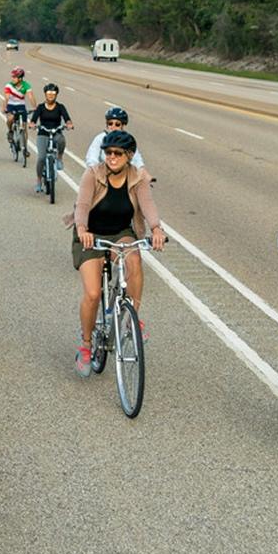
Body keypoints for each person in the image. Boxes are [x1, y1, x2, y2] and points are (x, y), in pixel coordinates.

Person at [69, 129, 165, 376]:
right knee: (92, 293)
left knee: (134, 260)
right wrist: (82, 229)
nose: (111, 157)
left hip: (120, 232)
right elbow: (81, 205)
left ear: (129, 156)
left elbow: (148, 205)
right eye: (108, 152)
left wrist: (156, 229)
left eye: (117, 153)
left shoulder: (137, 178)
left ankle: (132, 320)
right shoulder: (93, 175)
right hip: (90, 234)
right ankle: (87, 345)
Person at [29, 83, 75, 192]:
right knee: (41, 158)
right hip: (43, 133)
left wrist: (69, 124)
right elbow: (33, 119)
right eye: (48, 93)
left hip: (56, 132)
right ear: (45, 94)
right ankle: (39, 181)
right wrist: (32, 124)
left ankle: (59, 158)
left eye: (53, 93)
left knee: (62, 140)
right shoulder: (40, 107)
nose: (50, 96)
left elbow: (67, 118)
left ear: (56, 95)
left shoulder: (60, 107)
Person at [3, 67, 31, 137]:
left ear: (20, 78)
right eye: (12, 77)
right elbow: (6, 98)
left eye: (14, 77)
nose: (12, 78)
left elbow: (31, 96)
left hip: (21, 105)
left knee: (24, 127)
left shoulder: (26, 85)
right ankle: (10, 131)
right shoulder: (8, 85)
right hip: (11, 105)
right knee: (10, 118)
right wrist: (4, 107)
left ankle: (24, 146)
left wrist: (35, 107)